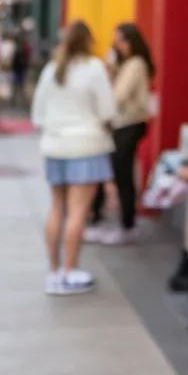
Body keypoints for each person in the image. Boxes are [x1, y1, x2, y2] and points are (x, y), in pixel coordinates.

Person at [31, 19, 116, 296]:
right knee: (78, 211)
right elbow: (107, 111)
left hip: (55, 145)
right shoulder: (94, 69)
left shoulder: (52, 69)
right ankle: (70, 270)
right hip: (86, 145)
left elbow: (38, 114)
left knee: (56, 207)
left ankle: (54, 271)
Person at [86, 22, 153, 246]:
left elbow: (119, 96)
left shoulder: (135, 64)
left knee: (121, 174)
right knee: (119, 172)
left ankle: (127, 223)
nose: (117, 45)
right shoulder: (128, 64)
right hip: (124, 123)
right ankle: (122, 220)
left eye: (120, 40)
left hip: (129, 123)